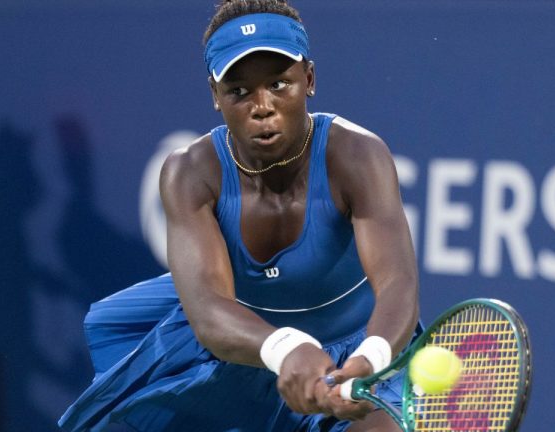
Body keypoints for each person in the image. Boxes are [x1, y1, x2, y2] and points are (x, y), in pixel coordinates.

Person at [58, 1, 419, 431]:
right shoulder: (189, 173)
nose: (262, 106)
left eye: (280, 84)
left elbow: (397, 282)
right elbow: (210, 311)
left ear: (310, 79)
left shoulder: (358, 155)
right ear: (215, 96)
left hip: (358, 347)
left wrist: (371, 358)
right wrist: (287, 347)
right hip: (241, 347)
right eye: (239, 91)